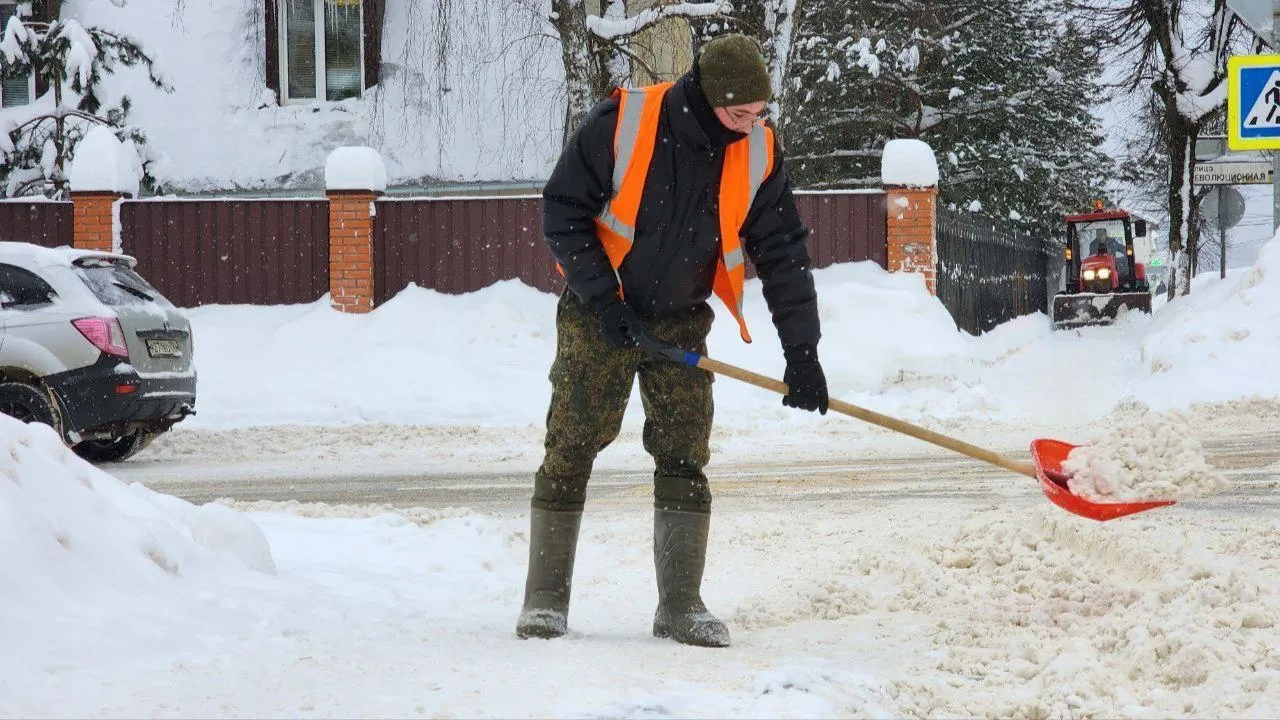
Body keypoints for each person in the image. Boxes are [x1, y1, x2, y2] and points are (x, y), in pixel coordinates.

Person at [517, 34, 827, 649]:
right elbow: (562, 210)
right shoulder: (625, 123)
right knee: (573, 441)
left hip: (682, 316)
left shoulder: (759, 149)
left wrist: (803, 353)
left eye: (760, 113)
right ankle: (545, 600)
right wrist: (604, 301)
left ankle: (681, 606)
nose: (752, 125)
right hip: (599, 311)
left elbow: (784, 254)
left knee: (685, 450)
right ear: (707, 96)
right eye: (740, 114)